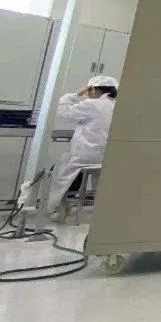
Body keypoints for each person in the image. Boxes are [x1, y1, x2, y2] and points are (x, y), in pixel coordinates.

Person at [48, 75, 118, 217]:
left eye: (89, 90)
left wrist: (77, 94)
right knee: (82, 173)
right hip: (105, 157)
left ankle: (56, 208)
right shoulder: (115, 105)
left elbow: (61, 110)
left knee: (61, 171)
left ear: (93, 89)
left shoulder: (92, 104)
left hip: (86, 155)